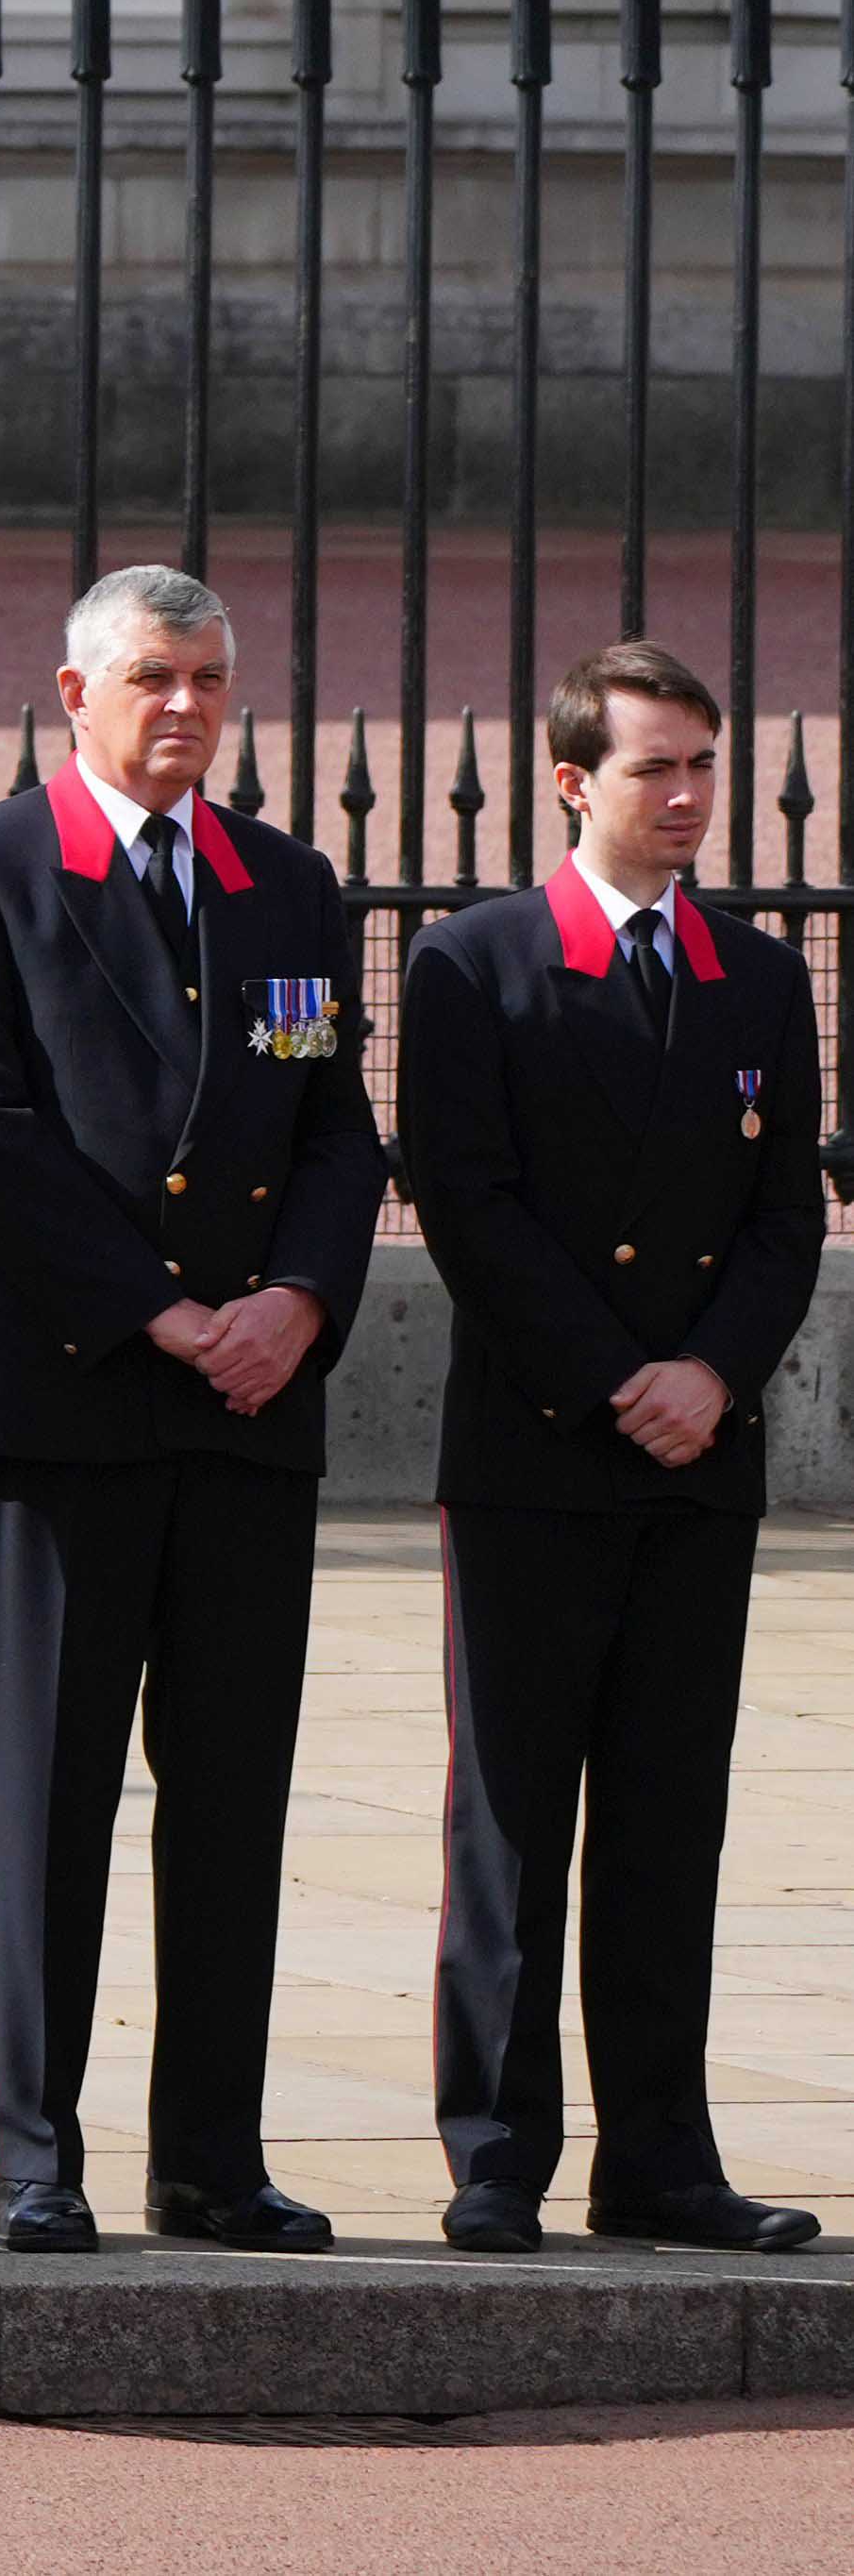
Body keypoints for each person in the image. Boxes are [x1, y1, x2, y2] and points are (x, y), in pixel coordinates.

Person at [0, 561, 381, 2257]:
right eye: (149, 677)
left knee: (232, 1788)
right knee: (50, 1794)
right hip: (68, 1394)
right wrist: (159, 1305)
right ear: (73, 690)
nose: (180, 705)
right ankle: (34, 2148)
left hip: (252, 1403)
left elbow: (336, 1126)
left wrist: (296, 1300)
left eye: (204, 677)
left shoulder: (287, 884)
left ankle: (210, 2152)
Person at [394, 638, 823, 2255]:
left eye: (703, 763)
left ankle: (659, 2149)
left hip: (696, 1455)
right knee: (513, 1804)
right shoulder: (475, 962)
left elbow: (788, 1208)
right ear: (573, 779)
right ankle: (495, 2146)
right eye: (655, 766)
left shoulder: (755, 973)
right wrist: (615, 1374)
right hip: (536, 1443)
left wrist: (708, 1372)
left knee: (665, 1806)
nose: (689, 796)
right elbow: (467, 1198)